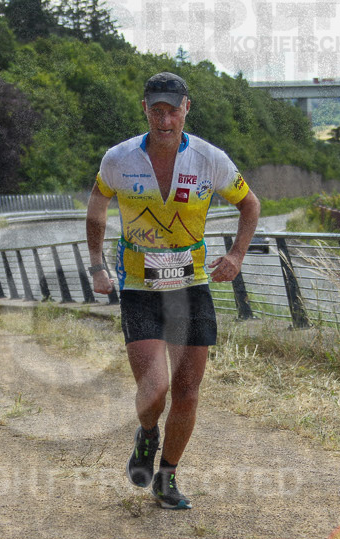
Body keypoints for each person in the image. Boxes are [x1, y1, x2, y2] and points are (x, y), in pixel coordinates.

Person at [85, 72, 261, 510]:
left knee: (187, 389)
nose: (165, 121)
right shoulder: (119, 159)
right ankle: (147, 434)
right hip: (141, 288)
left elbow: (250, 205)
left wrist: (236, 256)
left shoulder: (209, 159)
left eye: (173, 111)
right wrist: (97, 266)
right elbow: (97, 206)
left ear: (187, 109)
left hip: (192, 287)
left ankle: (167, 476)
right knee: (155, 386)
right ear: (145, 109)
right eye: (156, 111)